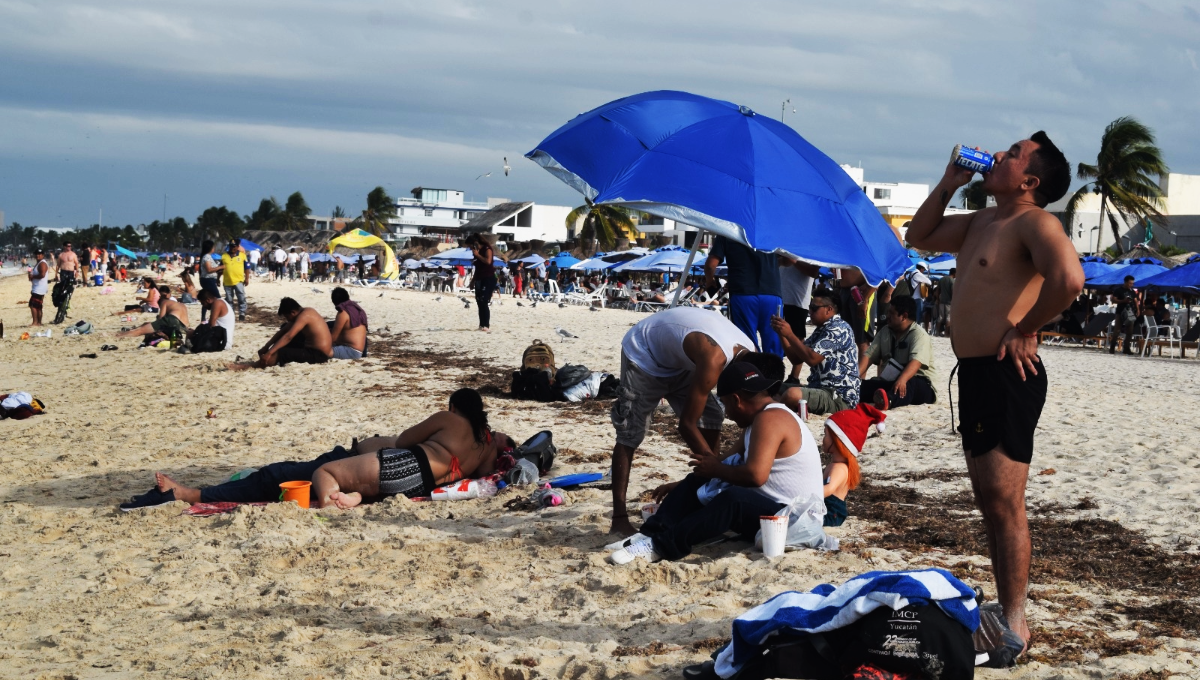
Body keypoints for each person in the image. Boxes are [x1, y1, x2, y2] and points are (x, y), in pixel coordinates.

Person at [905, 131, 1084, 657]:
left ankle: (1015, 625)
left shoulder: (1037, 222)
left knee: (1006, 502)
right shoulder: (983, 220)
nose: (1000, 154)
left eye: (1014, 154)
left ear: (1029, 181)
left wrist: (1028, 326)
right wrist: (950, 182)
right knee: (988, 500)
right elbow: (921, 234)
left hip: (1009, 373)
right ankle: (1008, 616)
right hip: (978, 373)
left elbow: (1069, 279)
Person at [120, 388, 517, 510]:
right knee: (295, 476)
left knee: (283, 475)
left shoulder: (451, 421)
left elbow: (404, 442)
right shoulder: (485, 446)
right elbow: (489, 468)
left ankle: (185, 493)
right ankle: (347, 497)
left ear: (455, 407)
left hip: (397, 466)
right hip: (411, 486)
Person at [608, 362, 827, 564]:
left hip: (795, 522)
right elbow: (720, 463)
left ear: (736, 400)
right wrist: (684, 485)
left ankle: (660, 546)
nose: (728, 414)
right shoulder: (758, 420)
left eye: (725, 405)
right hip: (773, 514)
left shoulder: (770, 419)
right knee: (700, 478)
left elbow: (755, 476)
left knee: (733, 499)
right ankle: (648, 535)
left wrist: (715, 469)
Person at [609, 306, 755, 536]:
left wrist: (715, 469)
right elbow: (686, 425)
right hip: (645, 355)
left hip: (683, 361)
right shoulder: (714, 358)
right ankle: (618, 518)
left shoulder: (750, 355)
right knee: (630, 433)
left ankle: (705, 496)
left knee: (712, 416)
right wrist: (715, 468)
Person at [771, 289, 861, 415]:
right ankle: (781, 405)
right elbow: (795, 358)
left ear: (828, 309)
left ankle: (778, 408)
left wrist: (790, 334)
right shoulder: (822, 328)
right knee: (772, 387)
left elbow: (812, 359)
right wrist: (782, 334)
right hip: (820, 389)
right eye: (810, 307)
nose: (810, 311)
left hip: (838, 396)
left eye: (814, 308)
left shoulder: (838, 328)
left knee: (792, 394)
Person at [705, 235, 783, 356]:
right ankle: (773, 373)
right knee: (773, 344)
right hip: (771, 292)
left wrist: (710, 282)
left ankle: (753, 373)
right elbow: (791, 260)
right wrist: (769, 264)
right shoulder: (768, 229)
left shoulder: (726, 230)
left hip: (743, 293)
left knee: (747, 344)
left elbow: (711, 266)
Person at [859, 295, 938, 410]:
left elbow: (916, 362)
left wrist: (903, 379)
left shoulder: (919, 335)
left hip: (919, 384)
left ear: (904, 316)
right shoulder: (885, 331)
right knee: (866, 385)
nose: (887, 316)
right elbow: (869, 356)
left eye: (891, 313)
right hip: (892, 381)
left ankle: (888, 400)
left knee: (910, 383)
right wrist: (854, 377)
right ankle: (876, 396)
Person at [819, 403, 885, 527]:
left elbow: (829, 489)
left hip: (830, 514)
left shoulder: (839, 468)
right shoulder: (835, 465)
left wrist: (808, 494)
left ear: (838, 441)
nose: (823, 439)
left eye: (826, 435)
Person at [235, 297, 333, 369]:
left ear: (293, 312)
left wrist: (270, 353)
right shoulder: (304, 312)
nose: (287, 320)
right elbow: (283, 332)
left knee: (281, 352)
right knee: (282, 338)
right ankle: (265, 360)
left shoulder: (305, 315)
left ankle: (253, 366)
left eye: (287, 317)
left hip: (318, 355)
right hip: (311, 349)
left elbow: (288, 336)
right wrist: (266, 347)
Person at [778, 256, 818, 379]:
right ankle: (777, 371)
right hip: (778, 295)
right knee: (776, 335)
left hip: (798, 299)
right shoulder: (782, 243)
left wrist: (794, 262)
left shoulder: (808, 247)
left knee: (797, 339)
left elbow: (814, 272)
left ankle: (794, 376)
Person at [117, 286, 189, 342]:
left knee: (140, 331)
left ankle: (118, 335)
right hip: (184, 327)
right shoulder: (181, 305)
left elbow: (161, 318)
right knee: (148, 325)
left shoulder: (164, 302)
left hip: (172, 320)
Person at [329, 287, 368, 359]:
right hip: (360, 351)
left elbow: (333, 338)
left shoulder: (343, 313)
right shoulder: (357, 309)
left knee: (320, 350)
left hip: (350, 351)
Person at [468, 234, 497, 332]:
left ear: (475, 243)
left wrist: (478, 255)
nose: (470, 248)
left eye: (470, 246)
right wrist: (472, 281)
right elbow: (478, 268)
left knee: (484, 301)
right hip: (479, 278)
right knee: (479, 301)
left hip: (488, 278)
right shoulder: (477, 252)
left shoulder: (487, 249)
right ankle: (481, 324)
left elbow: (488, 262)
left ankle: (486, 325)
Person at [1109, 275, 1139, 354]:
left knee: (1129, 331)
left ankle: (1126, 348)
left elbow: (1135, 300)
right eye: (1129, 283)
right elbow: (1114, 300)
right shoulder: (1118, 290)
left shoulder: (1132, 291)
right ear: (1125, 282)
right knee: (1117, 330)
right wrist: (1123, 301)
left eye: (1132, 283)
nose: (1131, 285)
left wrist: (1138, 309)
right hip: (1120, 312)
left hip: (1130, 312)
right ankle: (1112, 347)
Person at [220, 240, 248, 322]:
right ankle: (231, 314)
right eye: (231, 246)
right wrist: (218, 278)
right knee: (229, 299)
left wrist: (247, 278)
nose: (233, 248)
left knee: (241, 298)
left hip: (239, 280)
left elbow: (247, 268)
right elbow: (221, 268)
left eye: (234, 246)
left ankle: (242, 313)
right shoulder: (224, 256)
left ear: (237, 246)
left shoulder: (242, 255)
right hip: (227, 281)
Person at [197, 240, 223, 322]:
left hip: (207, 280)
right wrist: (221, 267)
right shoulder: (207, 257)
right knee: (217, 298)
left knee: (206, 298)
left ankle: (203, 318)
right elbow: (209, 270)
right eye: (213, 246)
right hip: (208, 280)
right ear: (210, 248)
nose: (214, 248)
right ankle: (217, 315)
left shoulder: (206, 256)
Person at [27, 249, 50, 326]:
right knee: (38, 306)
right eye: (37, 254)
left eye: (40, 254)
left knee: (33, 305)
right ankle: (39, 322)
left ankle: (35, 322)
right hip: (39, 287)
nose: (38, 255)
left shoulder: (42, 264)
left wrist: (33, 276)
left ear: (43, 255)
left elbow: (42, 275)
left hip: (39, 288)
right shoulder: (39, 263)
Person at [936, 267, 956, 336]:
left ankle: (937, 332)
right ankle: (947, 333)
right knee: (948, 317)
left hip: (942, 301)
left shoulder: (942, 279)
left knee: (940, 317)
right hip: (949, 302)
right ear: (954, 273)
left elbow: (938, 290)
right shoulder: (952, 281)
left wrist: (938, 299)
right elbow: (953, 291)